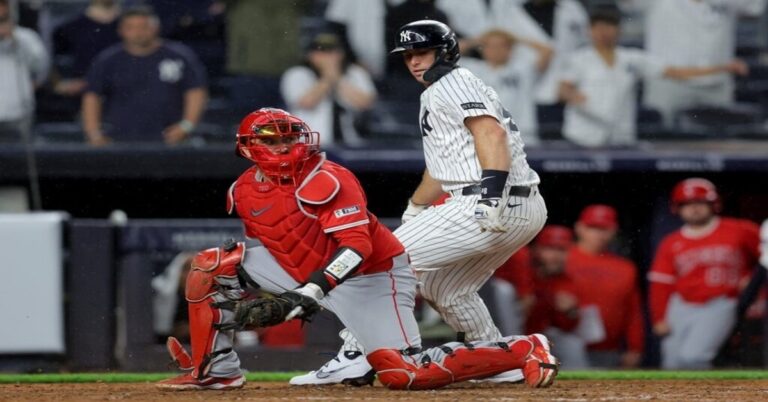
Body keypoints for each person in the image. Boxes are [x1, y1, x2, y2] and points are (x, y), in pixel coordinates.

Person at [154, 108, 558, 390]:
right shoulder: (241, 190)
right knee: (211, 264)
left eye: (289, 137)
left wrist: (306, 294)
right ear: (247, 146)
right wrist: (265, 290)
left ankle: (520, 348)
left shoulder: (329, 177)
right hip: (303, 271)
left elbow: (358, 247)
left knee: (404, 375)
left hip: (372, 277)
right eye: (270, 139)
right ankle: (216, 369)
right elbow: (282, 244)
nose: (282, 146)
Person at [293, 19, 550, 386]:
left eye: (422, 53)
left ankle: (355, 354)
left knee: (381, 263)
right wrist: (416, 207)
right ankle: (498, 358)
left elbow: (490, 133)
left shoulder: (453, 82)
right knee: (446, 290)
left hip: (490, 199)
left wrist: (491, 193)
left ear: (445, 51)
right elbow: (442, 166)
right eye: (408, 55)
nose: (414, 62)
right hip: (520, 206)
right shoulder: (439, 90)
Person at [557, 7, 748, 147]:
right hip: (581, 137)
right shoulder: (578, 59)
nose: (604, 32)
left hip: (620, 138)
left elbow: (675, 72)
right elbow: (563, 89)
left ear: (618, 30)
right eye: (598, 27)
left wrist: (722, 67)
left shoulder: (631, 58)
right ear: (590, 30)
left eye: (609, 26)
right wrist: (573, 96)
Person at [648, 178, 761, 369]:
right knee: (672, 363)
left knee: (693, 358)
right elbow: (661, 283)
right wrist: (659, 318)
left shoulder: (740, 230)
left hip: (720, 302)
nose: (694, 209)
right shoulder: (671, 241)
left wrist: (754, 279)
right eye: (687, 204)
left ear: (713, 204)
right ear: (677, 208)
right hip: (681, 305)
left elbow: (765, 257)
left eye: (700, 202)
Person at [618, 0, 767, 127]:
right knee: (664, 143)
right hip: (668, 83)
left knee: (718, 146)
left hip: (716, 83)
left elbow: (755, 6)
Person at [82, 6, 208, 146]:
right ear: (121, 30)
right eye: (131, 27)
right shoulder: (107, 60)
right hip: (118, 139)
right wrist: (93, 133)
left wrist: (186, 126)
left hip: (169, 138)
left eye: (143, 27)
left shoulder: (179, 56)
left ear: (156, 28)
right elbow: (92, 96)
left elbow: (196, 92)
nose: (138, 33)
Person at [566, 204, 643, 368]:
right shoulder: (562, 259)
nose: (598, 234)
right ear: (579, 228)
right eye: (593, 227)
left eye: (604, 228)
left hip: (609, 350)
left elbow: (633, 311)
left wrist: (635, 348)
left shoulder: (625, 268)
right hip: (565, 345)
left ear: (614, 231)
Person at [280, 31, 377, 147]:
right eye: (321, 52)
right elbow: (307, 102)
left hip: (349, 142)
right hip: (307, 144)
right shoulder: (297, 74)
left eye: (332, 52)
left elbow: (365, 103)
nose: (327, 57)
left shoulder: (355, 73)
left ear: (341, 54)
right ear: (310, 55)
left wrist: (337, 78)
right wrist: (328, 77)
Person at [461, 29, 553, 146]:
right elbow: (445, 55)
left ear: (510, 49)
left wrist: (518, 39)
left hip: (522, 137)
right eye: (491, 46)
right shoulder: (472, 68)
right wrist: (475, 41)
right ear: (482, 48)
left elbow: (547, 51)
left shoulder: (523, 69)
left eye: (502, 46)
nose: (496, 50)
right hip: (484, 138)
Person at [526, 225, 589, 369]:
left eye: (561, 250)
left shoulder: (568, 282)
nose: (555, 256)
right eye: (549, 249)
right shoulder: (525, 273)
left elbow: (568, 328)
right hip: (511, 334)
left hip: (542, 337)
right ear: (536, 250)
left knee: (572, 344)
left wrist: (570, 312)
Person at [0, 0, 48, 142]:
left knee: (19, 161)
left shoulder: (26, 37)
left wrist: (15, 40)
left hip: (18, 113)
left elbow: (40, 66)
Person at [51, 0, 120, 99]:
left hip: (125, 92)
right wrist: (60, 83)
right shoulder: (70, 27)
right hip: (82, 95)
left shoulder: (135, 25)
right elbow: (51, 60)